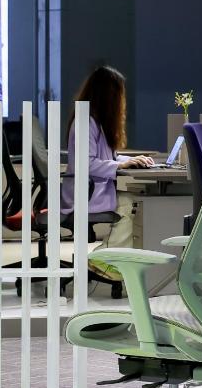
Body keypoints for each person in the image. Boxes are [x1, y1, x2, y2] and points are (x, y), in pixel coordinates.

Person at [62, 66, 152, 276]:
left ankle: (114, 261)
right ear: (109, 96)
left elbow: (107, 158)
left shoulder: (96, 122)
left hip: (94, 188)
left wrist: (131, 160)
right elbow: (86, 163)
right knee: (132, 205)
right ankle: (102, 260)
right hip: (85, 193)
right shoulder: (86, 122)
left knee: (135, 201)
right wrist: (120, 165)